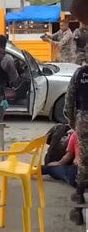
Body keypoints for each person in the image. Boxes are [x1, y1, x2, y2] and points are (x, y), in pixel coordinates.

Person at [64, 63, 88, 204]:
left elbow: (69, 99)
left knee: (84, 157)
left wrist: (71, 120)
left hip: (83, 119)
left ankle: (79, 192)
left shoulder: (80, 73)